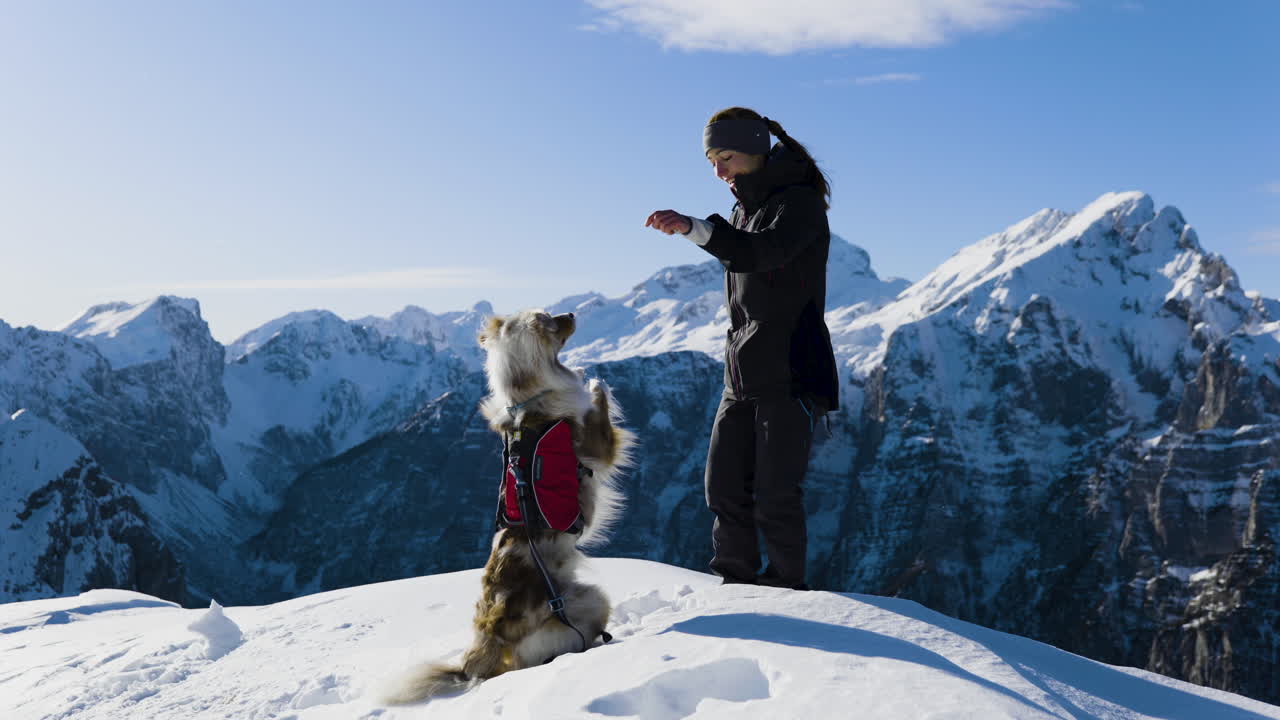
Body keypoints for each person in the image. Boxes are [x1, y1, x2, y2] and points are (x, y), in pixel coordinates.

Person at [644, 107, 839, 589]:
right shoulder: (742, 209)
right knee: (724, 489)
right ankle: (734, 587)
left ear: (755, 149)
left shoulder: (799, 204)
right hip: (742, 374)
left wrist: (695, 229)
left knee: (775, 494)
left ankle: (786, 592)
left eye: (725, 157)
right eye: (712, 160)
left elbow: (761, 253)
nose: (718, 171)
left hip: (790, 371)